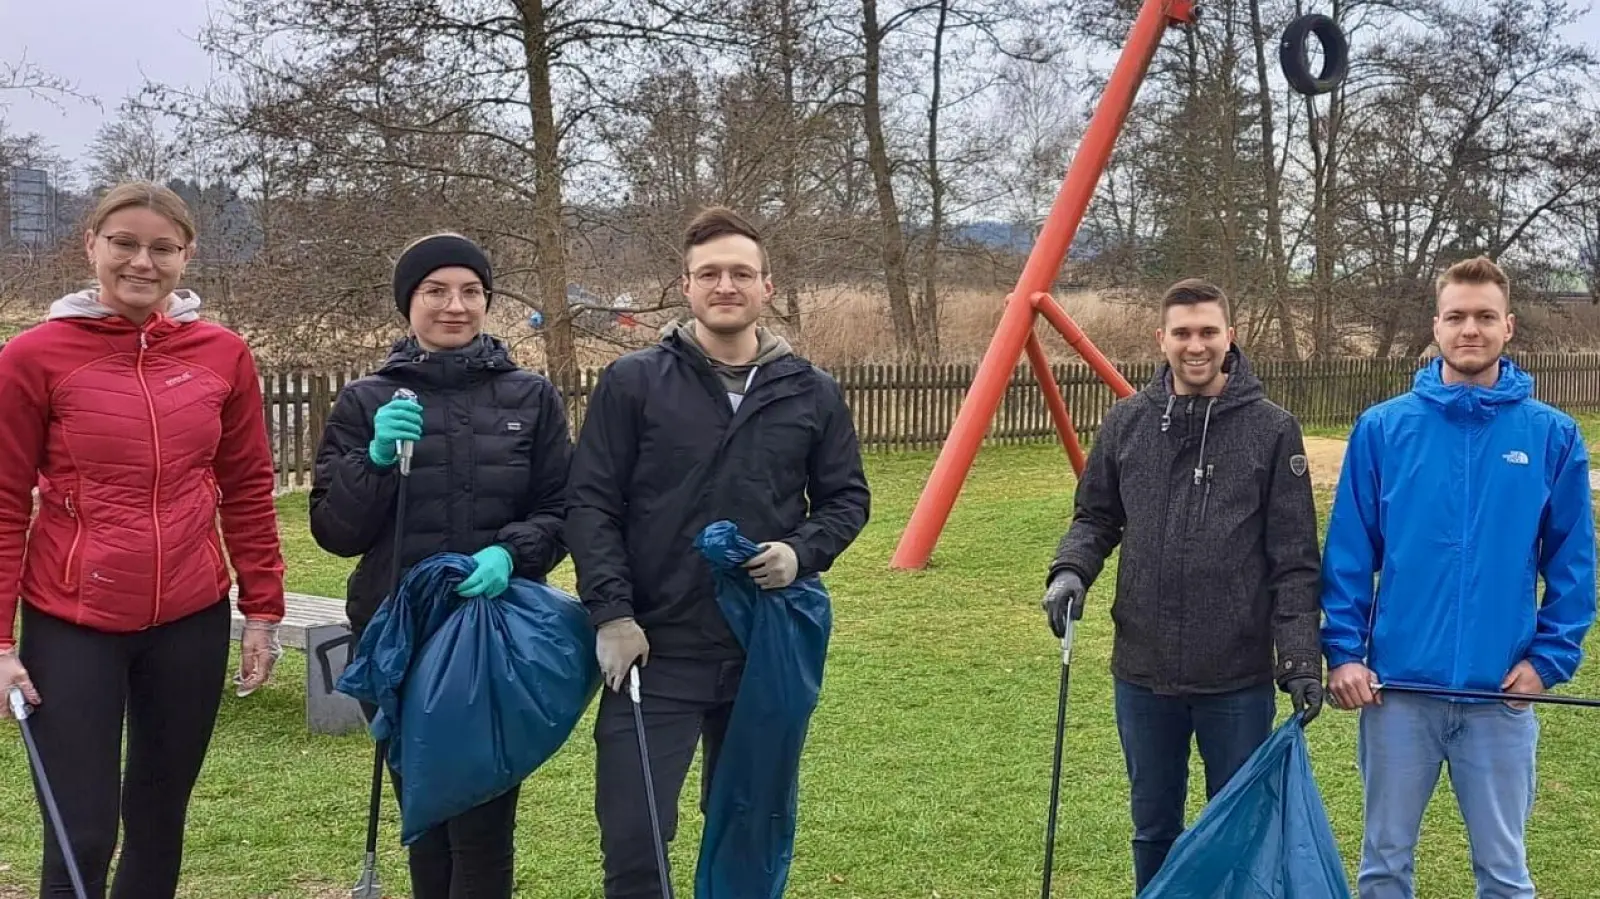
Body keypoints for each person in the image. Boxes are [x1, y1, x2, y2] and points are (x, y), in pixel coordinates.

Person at [565, 205, 870, 897]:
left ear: (767, 285)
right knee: (634, 833)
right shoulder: (634, 382)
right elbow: (590, 504)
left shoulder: (811, 390)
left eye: (740, 272)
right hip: (655, 646)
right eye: (710, 273)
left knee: (748, 828)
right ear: (686, 285)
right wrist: (612, 614)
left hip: (762, 649)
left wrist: (800, 552)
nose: (725, 285)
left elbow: (847, 499)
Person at [0, 181, 287, 898]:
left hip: (189, 617)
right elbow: (4, 503)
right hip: (73, 622)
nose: (142, 262)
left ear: (186, 256)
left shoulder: (222, 355)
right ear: (91, 246)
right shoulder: (33, 357)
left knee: (159, 820)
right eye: (124, 243)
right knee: (83, 829)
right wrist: (0, 642)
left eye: (162, 248)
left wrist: (262, 612)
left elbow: (248, 486)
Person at [1321, 256, 1596, 899]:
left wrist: (1549, 660)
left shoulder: (1552, 436)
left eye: (1483, 316)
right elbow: (1350, 556)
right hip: (1398, 695)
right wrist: (1343, 652)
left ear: (1509, 327)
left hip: (1499, 698)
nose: (1469, 329)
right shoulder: (1384, 429)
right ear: (1436, 326)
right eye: (1456, 316)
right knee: (1384, 867)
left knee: (1504, 874)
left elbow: (1574, 566)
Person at [308, 232, 573, 898]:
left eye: (471, 291)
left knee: (482, 824)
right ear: (409, 302)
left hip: (493, 637)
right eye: (435, 291)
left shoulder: (530, 397)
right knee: (424, 818)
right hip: (398, 637)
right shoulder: (367, 401)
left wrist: (511, 552)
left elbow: (562, 507)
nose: (454, 305)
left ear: (487, 300)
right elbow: (335, 531)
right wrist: (373, 463)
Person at [1041, 278, 1325, 894]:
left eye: (1207, 332)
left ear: (1230, 337)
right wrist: (1070, 570)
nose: (1195, 346)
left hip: (1237, 678)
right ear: (1162, 339)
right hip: (1143, 672)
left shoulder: (1273, 430)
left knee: (1239, 826)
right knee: (1153, 828)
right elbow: (1096, 516)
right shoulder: (1127, 422)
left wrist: (1301, 658)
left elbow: (1295, 560)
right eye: (1182, 333)